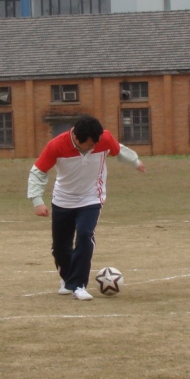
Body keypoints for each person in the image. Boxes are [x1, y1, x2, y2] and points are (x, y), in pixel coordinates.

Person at [28, 115, 146, 300]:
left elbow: (118, 150)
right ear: (76, 138)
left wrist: (135, 162)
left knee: (84, 234)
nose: (94, 147)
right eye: (90, 145)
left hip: (91, 198)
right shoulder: (56, 145)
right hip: (63, 199)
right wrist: (37, 200)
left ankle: (79, 285)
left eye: (96, 143)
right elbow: (38, 172)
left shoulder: (103, 139)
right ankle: (67, 279)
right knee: (60, 247)